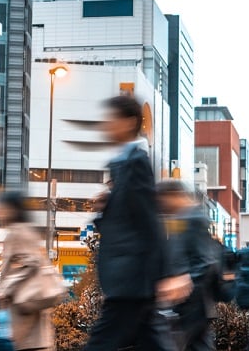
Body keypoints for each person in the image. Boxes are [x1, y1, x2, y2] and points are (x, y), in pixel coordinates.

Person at [83, 95, 185, 351]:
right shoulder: (123, 164)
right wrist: (107, 208)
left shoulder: (136, 163)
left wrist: (168, 274)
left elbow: (149, 221)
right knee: (152, 343)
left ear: (128, 123)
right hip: (132, 279)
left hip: (131, 279)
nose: (106, 125)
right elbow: (129, 220)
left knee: (101, 343)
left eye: (111, 120)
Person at [157, 180, 221, 351]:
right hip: (189, 301)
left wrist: (185, 283)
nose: (162, 207)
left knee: (174, 344)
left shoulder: (194, 218)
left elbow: (205, 261)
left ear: (174, 195)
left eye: (162, 201)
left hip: (192, 301)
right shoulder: (181, 218)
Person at [0, 192, 53, 351]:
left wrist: (4, 288)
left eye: (2, 208)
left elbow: (30, 263)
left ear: (12, 209)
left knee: (25, 343)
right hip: (30, 303)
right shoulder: (28, 230)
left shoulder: (17, 233)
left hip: (23, 305)